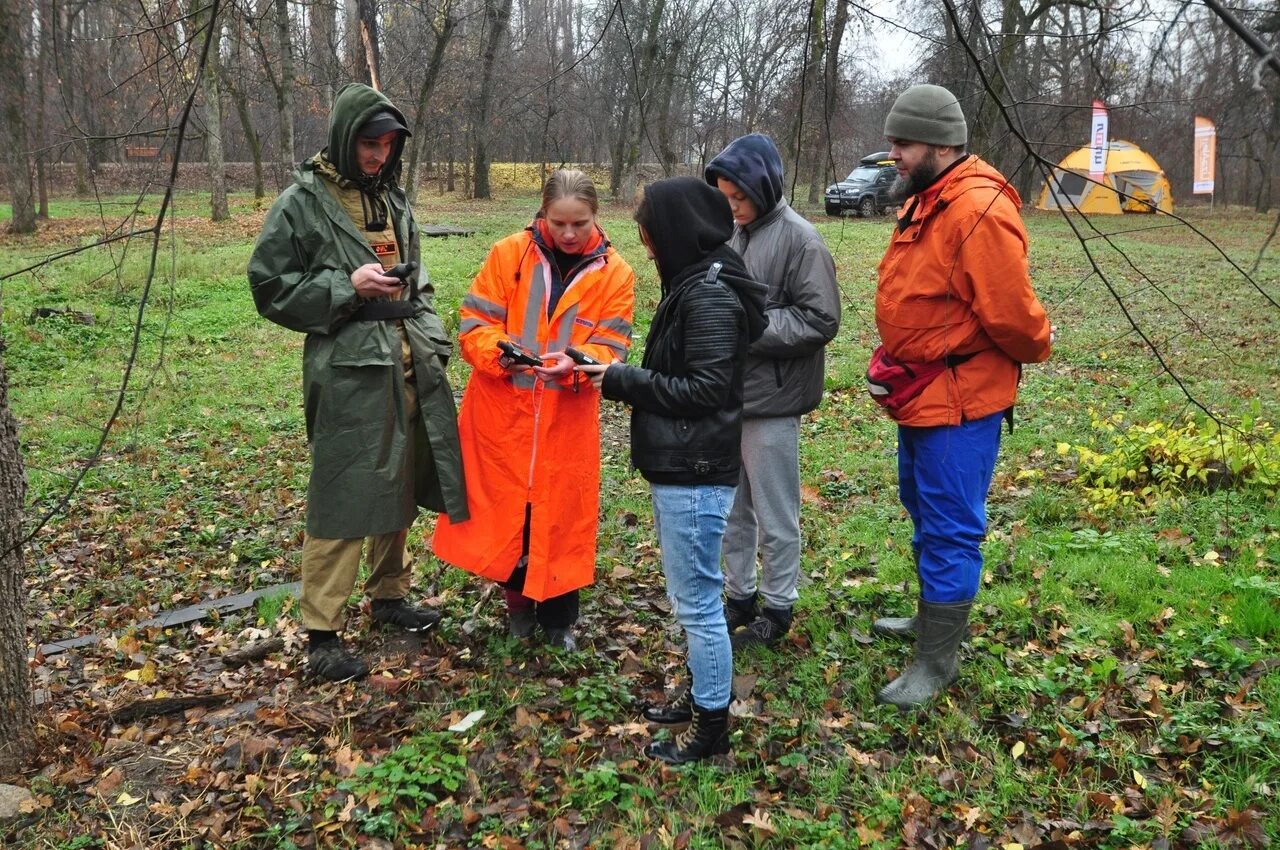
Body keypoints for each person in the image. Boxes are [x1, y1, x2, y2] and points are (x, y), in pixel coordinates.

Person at [248, 83, 469, 683]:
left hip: (410, 360)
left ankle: (389, 595)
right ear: (346, 139)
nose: (378, 156)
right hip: (348, 367)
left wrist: (428, 332)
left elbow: (416, 279)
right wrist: (348, 287)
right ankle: (322, 633)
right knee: (345, 489)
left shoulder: (393, 199)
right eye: (370, 144)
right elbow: (269, 287)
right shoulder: (302, 202)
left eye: (389, 145)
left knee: (400, 479)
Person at [869, 84, 1052, 708]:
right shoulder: (929, 197)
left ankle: (937, 661)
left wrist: (1029, 345)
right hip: (923, 392)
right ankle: (931, 621)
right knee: (922, 507)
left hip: (962, 398)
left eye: (902, 141)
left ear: (941, 144)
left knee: (950, 526)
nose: (891, 151)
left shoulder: (977, 209)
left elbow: (1015, 317)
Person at [579, 177, 767, 764]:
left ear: (674, 231)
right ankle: (702, 691)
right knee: (694, 597)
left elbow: (707, 388)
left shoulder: (708, 292)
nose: (645, 241)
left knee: (699, 603)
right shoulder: (694, 279)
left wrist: (618, 378)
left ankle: (711, 727)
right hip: (686, 461)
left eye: (650, 230)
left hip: (696, 467)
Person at [431, 170, 634, 651]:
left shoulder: (616, 273)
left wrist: (576, 365)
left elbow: (612, 346)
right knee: (510, 513)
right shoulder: (508, 254)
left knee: (561, 515)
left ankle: (560, 617)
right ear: (542, 214)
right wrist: (501, 354)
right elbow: (474, 323)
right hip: (503, 415)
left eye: (579, 224)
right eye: (558, 222)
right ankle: (517, 604)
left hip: (567, 418)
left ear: (595, 218)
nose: (567, 234)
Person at [704, 134, 841, 651]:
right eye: (724, 199)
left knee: (775, 511)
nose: (732, 208)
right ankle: (740, 595)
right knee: (732, 509)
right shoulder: (732, 234)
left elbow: (820, 318)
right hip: (728, 395)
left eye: (738, 198)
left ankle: (778, 607)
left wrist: (746, 325)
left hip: (773, 402)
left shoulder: (802, 239)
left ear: (761, 187)